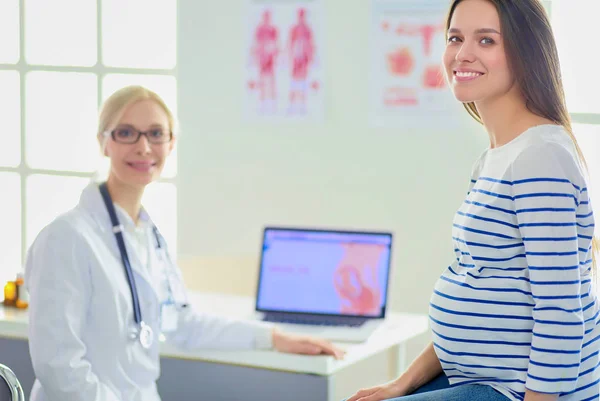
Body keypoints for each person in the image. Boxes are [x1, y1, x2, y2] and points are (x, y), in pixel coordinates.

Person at [345, 0, 599, 400]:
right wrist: (401, 384)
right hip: (478, 378)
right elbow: (474, 286)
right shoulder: (497, 157)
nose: (463, 54)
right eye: (455, 38)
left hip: (517, 392)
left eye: (486, 40)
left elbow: (562, 313)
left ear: (525, 51)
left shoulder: (540, 156)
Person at [24, 85, 345, 401]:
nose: (144, 147)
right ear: (103, 142)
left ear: (171, 143)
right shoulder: (66, 238)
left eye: (155, 133)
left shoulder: (149, 237)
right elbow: (58, 366)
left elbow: (184, 323)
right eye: (126, 133)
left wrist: (273, 338)